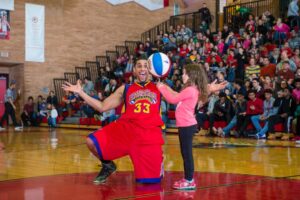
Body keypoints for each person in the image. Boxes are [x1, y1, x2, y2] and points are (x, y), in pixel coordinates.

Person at [157, 64, 227, 190]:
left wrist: (161, 88)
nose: (182, 75)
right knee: (185, 153)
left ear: (191, 76)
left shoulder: (190, 90)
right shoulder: (192, 89)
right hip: (186, 125)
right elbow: (177, 94)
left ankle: (189, 180)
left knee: (187, 154)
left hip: (186, 125)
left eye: (184, 73)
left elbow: (173, 99)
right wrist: (165, 87)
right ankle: (188, 178)